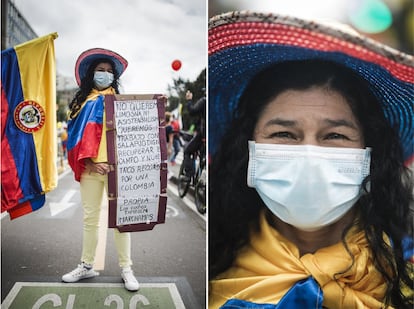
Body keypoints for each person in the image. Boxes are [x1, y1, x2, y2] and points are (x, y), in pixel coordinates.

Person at [208, 11, 413, 308]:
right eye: (284, 134)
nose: (309, 155)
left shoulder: (406, 269)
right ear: (248, 148)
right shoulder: (213, 265)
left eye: (335, 136)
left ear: (371, 154)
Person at [64, 48, 139, 291]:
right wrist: (91, 163)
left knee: (121, 221)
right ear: (91, 73)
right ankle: (86, 266)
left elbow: (132, 136)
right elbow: (74, 139)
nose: (105, 75)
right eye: (100, 70)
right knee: (90, 219)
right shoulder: (80, 104)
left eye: (109, 72)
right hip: (89, 168)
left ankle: (126, 268)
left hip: (117, 169)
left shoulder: (122, 103)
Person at [182, 89, 206, 179]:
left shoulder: (204, 101)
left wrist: (189, 100)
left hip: (203, 135)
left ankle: (189, 174)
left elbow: (192, 111)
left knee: (187, 151)